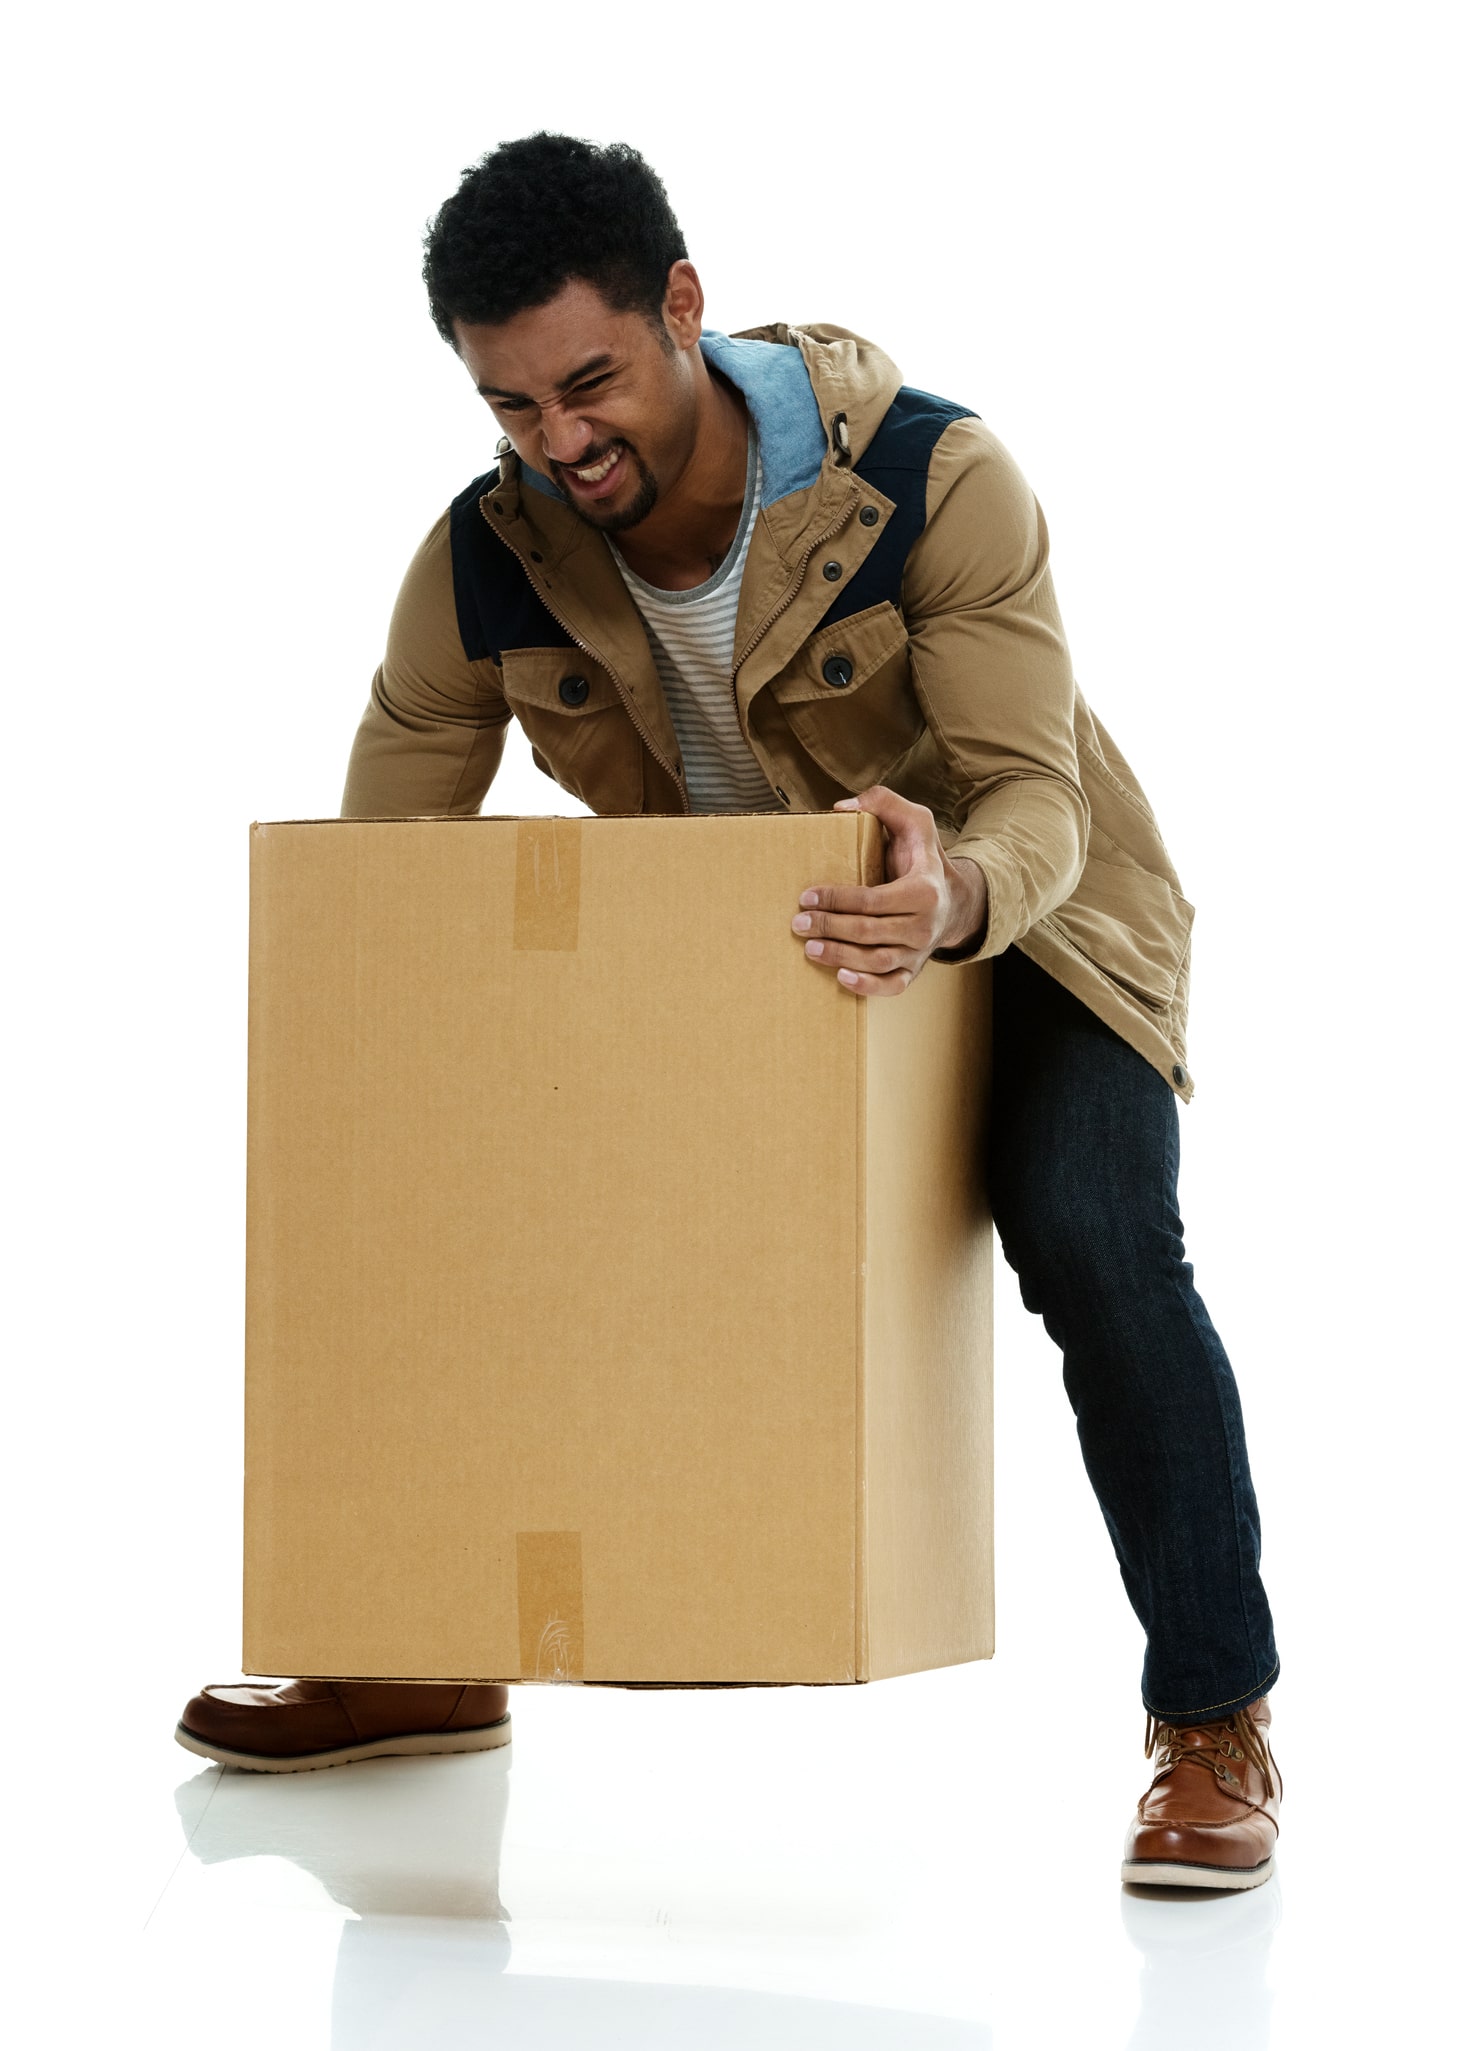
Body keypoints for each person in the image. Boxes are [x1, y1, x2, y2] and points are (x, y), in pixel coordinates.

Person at [175, 133, 1281, 1890]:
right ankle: (424, 1633)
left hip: (1028, 928)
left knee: (1087, 1227)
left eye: (590, 383)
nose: (559, 442)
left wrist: (952, 900)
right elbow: (379, 887)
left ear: (681, 307)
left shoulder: (929, 476)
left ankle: (1214, 1719)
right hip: (763, 955)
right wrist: (418, 1055)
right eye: (510, 407)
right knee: (436, 1159)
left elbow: (1033, 800)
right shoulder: (485, 560)